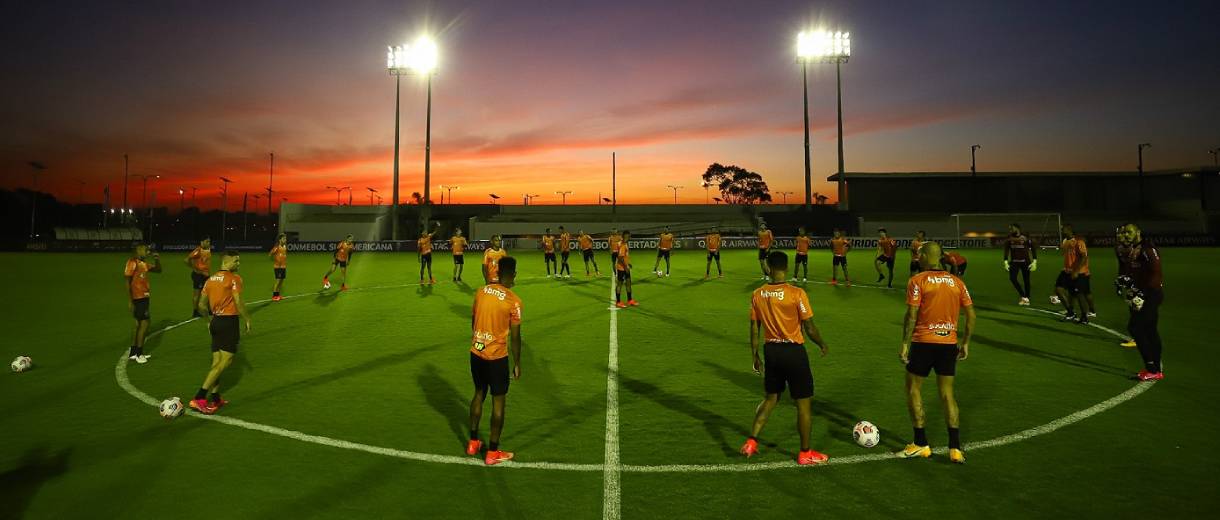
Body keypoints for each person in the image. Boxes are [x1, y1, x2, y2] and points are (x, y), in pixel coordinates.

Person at [739, 251, 831, 466]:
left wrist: (754, 356)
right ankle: (805, 453)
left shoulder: (757, 294)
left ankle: (752, 441)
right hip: (793, 353)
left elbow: (754, 328)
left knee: (771, 398)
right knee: (803, 405)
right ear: (787, 268)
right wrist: (822, 343)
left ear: (768, 268)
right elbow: (808, 326)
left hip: (771, 352)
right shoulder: (796, 293)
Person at [898, 242, 975, 465]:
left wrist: (904, 343)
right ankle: (955, 448)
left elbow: (912, 315)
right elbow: (971, 315)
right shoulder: (957, 282)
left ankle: (921, 443)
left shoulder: (917, 280)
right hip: (948, 343)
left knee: (913, 388)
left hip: (923, 342)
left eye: (918, 254)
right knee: (947, 394)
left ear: (924, 256)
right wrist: (966, 342)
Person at [466, 256, 523, 465]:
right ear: (514, 274)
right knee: (498, 402)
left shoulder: (481, 292)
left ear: (497, 272)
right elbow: (515, 338)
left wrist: (480, 341)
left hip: (476, 351)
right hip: (497, 358)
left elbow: (473, 321)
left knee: (479, 393)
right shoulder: (514, 301)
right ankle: (492, 452)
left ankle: (473, 442)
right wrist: (517, 363)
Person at [190, 250, 252, 415]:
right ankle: (199, 397)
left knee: (216, 363)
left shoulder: (210, 280)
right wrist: (247, 319)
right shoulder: (234, 279)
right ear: (227, 261)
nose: (239, 264)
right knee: (226, 361)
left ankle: (215, 397)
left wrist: (209, 321)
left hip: (216, 321)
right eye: (236, 261)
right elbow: (238, 301)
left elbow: (201, 305)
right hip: (228, 322)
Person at [1117, 223, 1164, 380]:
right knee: (1150, 330)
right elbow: (1133, 271)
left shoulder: (1147, 248)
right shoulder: (1133, 249)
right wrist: (1123, 281)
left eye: (1129, 232)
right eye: (1124, 232)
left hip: (1150, 294)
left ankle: (1152, 367)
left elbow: (1156, 271)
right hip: (1142, 292)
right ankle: (1155, 368)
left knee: (1135, 327)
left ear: (1138, 232)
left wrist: (1143, 293)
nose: (1126, 234)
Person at [124, 243, 162, 364]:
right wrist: (130, 300)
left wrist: (157, 259)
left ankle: (133, 353)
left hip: (143, 297)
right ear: (138, 250)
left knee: (137, 324)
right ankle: (140, 353)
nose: (147, 252)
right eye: (145, 250)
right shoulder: (132, 262)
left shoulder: (143, 264)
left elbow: (158, 270)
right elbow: (127, 282)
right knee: (144, 324)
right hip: (139, 298)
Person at [1054, 224, 1093, 324]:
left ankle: (1084, 317)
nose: (1062, 232)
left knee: (1079, 294)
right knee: (1058, 289)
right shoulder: (1065, 241)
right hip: (1067, 271)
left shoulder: (1079, 241)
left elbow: (1084, 257)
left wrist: (1076, 271)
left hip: (1079, 273)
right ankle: (1070, 312)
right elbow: (1065, 252)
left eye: (1064, 230)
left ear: (1069, 230)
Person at [1002, 224, 1037, 306]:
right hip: (1014, 262)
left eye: (1012, 228)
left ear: (1017, 228)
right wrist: (1005, 262)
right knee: (1012, 278)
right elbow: (1006, 250)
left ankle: (1027, 298)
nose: (1010, 230)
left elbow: (1033, 248)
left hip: (1025, 262)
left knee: (1026, 280)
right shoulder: (1009, 238)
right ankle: (1023, 296)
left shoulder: (1025, 237)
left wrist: (1034, 261)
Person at [1114, 225, 1137, 348]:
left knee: (1137, 309)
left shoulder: (1136, 247)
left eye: (1121, 233)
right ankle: (1139, 336)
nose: (1119, 236)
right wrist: (1119, 280)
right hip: (1129, 281)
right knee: (1133, 308)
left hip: (1139, 282)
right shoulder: (1118, 248)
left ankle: (1139, 337)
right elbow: (1122, 265)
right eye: (1117, 233)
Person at [186, 237, 212, 317]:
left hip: (206, 275)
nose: (208, 243)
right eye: (207, 241)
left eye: (209, 241)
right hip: (198, 276)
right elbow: (186, 260)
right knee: (197, 294)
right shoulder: (198, 250)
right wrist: (198, 270)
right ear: (202, 242)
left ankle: (210, 310)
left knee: (208, 293)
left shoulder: (208, 250)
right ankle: (195, 311)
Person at [615, 230, 637, 307]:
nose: (628, 238)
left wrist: (628, 264)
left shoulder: (625, 244)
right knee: (620, 284)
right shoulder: (622, 244)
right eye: (627, 236)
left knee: (628, 283)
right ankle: (618, 302)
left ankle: (630, 300)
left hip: (625, 267)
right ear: (624, 236)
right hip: (621, 268)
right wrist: (626, 266)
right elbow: (620, 257)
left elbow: (624, 256)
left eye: (629, 236)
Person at [269, 233, 288, 301]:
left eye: (285, 238)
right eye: (283, 238)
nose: (285, 240)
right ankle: (274, 296)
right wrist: (275, 260)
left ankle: (278, 295)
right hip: (278, 267)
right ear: (280, 240)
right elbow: (270, 254)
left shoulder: (284, 247)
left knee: (281, 281)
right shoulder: (277, 247)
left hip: (283, 267)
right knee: (278, 280)